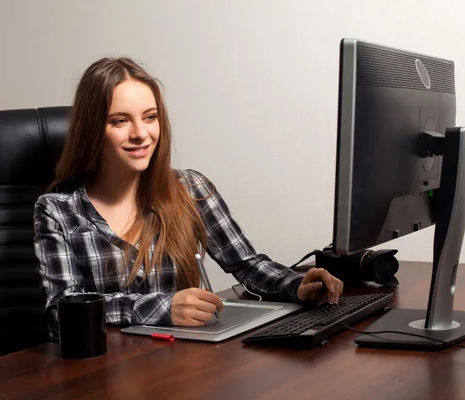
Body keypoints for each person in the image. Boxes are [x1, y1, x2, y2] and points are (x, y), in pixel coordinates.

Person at [33, 57, 344, 339]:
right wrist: (162, 307)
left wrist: (296, 285)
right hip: (107, 373)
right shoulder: (58, 210)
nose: (141, 133)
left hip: (184, 366)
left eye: (150, 117)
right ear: (92, 130)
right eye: (119, 121)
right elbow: (61, 314)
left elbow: (247, 265)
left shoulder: (190, 188)